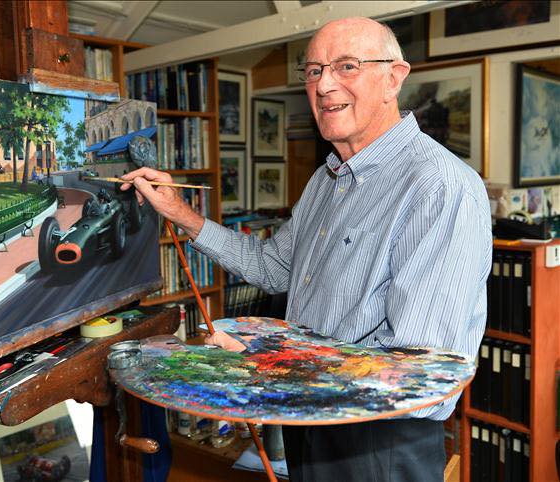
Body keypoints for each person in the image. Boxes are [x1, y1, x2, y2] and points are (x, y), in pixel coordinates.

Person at [121, 17, 492, 482]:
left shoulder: (439, 187)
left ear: (394, 78)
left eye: (347, 66)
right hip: (308, 421)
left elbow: (415, 371)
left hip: (377, 439)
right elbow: (271, 267)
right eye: (314, 71)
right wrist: (178, 212)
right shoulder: (325, 179)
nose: (324, 84)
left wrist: (266, 358)